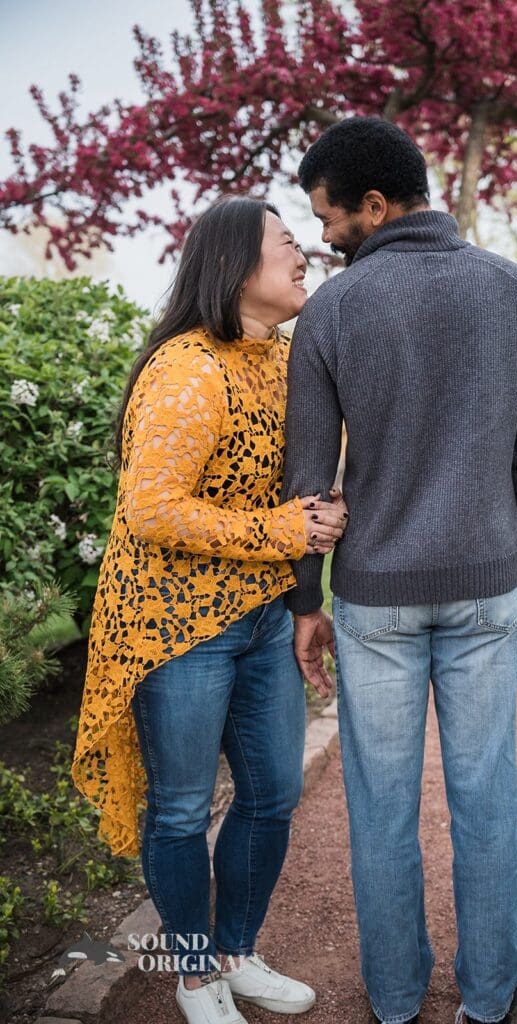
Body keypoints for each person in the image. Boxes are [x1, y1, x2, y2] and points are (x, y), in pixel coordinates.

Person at [282, 117, 517, 1024]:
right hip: (487, 584)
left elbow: (304, 477)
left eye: (327, 217)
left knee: (379, 808)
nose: (323, 237)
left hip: (373, 598)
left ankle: (398, 997)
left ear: (373, 204)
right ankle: (488, 996)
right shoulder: (516, 292)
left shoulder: (332, 309)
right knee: (486, 795)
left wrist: (303, 601)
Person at [72, 196, 348, 1024]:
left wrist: (314, 522)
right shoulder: (188, 368)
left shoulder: (285, 356)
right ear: (235, 264)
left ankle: (236, 952)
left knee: (270, 795)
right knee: (185, 808)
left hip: (261, 615)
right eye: (287, 243)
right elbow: (151, 507)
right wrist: (283, 527)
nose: (303, 256)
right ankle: (195, 974)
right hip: (175, 625)